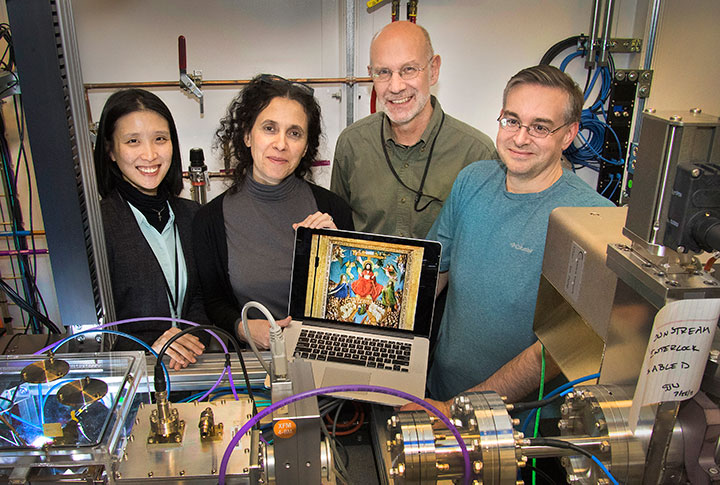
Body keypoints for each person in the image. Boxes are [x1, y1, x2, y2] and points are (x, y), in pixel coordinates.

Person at [405, 65, 615, 415]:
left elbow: (553, 351)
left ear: (568, 135)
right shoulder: (472, 180)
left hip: (519, 422)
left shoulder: (592, 219)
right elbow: (432, 273)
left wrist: (456, 410)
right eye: (512, 120)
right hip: (439, 391)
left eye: (540, 127)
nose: (520, 138)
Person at [193, 75, 353, 350]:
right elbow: (213, 302)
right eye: (269, 128)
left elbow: (353, 303)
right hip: (254, 367)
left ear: (305, 147)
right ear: (246, 135)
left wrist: (339, 254)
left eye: (294, 133)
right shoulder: (210, 220)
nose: (281, 144)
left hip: (323, 362)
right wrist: (242, 328)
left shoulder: (333, 209)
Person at [331, 21, 497, 239]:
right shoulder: (352, 143)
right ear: (371, 74)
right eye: (383, 72)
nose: (396, 86)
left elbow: (480, 243)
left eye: (408, 69)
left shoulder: (476, 154)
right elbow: (338, 230)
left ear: (434, 70)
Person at [94, 89, 209, 371]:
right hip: (128, 376)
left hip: (192, 368)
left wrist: (192, 337)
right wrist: (146, 346)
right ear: (110, 150)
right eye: (133, 141)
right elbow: (91, 333)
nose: (150, 154)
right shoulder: (98, 225)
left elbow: (200, 297)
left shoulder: (191, 216)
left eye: (160, 139)